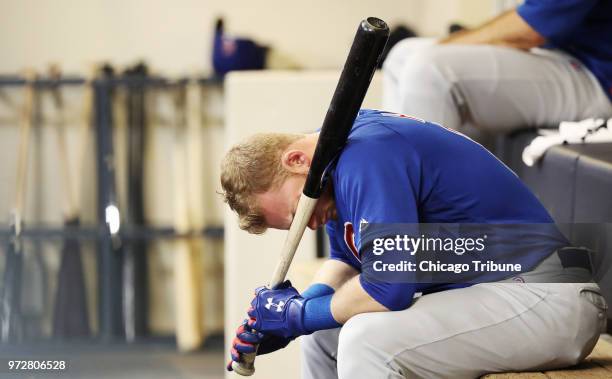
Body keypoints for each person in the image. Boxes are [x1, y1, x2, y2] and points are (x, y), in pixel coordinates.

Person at [221, 109, 607, 378]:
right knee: (325, 336)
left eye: (296, 213)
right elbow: (349, 259)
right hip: (498, 295)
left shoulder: (366, 154)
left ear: (296, 160)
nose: (305, 227)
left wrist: (298, 315)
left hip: (545, 297)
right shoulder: (336, 166)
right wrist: (299, 312)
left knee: (365, 341)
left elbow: (390, 287)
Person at [383, 0, 612, 132]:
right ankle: (390, 195)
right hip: (560, 53)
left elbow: (529, 31)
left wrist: (446, 46)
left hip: (598, 77)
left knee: (429, 71)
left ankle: (420, 209)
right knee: (401, 55)